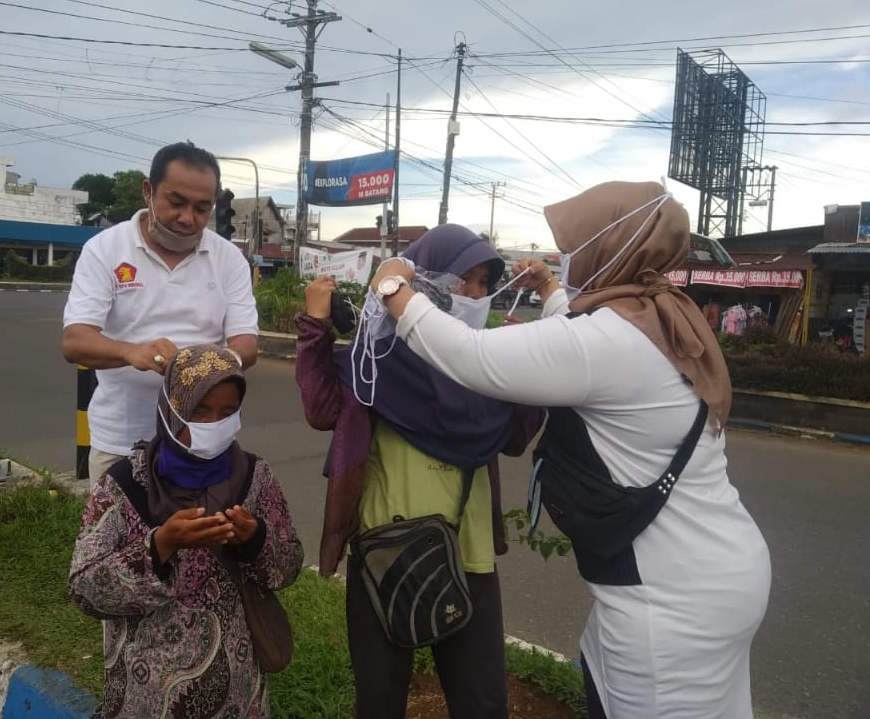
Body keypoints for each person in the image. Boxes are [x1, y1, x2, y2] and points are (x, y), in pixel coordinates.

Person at [369, 182, 771, 719]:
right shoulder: (656, 315)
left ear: (611, 248)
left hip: (669, 600)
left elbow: (470, 355)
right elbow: (583, 341)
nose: (568, 256)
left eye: (576, 246)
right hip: (716, 569)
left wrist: (394, 285)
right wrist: (553, 289)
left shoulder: (607, 339)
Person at [296, 223, 545, 719]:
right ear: (424, 279)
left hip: (466, 553)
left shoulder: (487, 362)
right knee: (380, 703)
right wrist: (314, 325)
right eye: (463, 280)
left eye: (483, 283)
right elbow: (322, 410)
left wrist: (531, 363)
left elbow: (516, 439)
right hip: (384, 554)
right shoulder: (376, 359)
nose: (474, 295)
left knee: (483, 703)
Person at [69, 344, 304, 719]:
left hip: (239, 698)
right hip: (148, 698)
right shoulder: (127, 484)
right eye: (200, 411)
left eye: (227, 413)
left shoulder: (254, 477)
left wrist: (255, 539)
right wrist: (160, 545)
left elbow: (288, 565)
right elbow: (85, 589)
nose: (213, 424)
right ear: (172, 409)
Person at [62, 142, 260, 486]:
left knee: (201, 536)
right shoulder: (105, 249)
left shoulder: (228, 258)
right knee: (116, 538)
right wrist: (132, 352)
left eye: (202, 208)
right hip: (121, 440)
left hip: (202, 441)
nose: (188, 218)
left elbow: (247, 345)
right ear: (148, 191)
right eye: (176, 202)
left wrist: (212, 362)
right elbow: (75, 341)